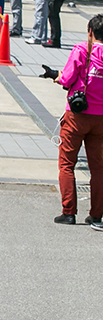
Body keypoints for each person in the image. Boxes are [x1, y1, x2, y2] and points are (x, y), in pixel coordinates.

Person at [49, 15, 103, 226]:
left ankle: (69, 212)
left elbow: (67, 79)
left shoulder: (83, 50)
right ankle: (97, 214)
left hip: (77, 115)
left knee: (67, 164)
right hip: (100, 118)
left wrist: (55, 76)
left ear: (90, 32)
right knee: (98, 167)